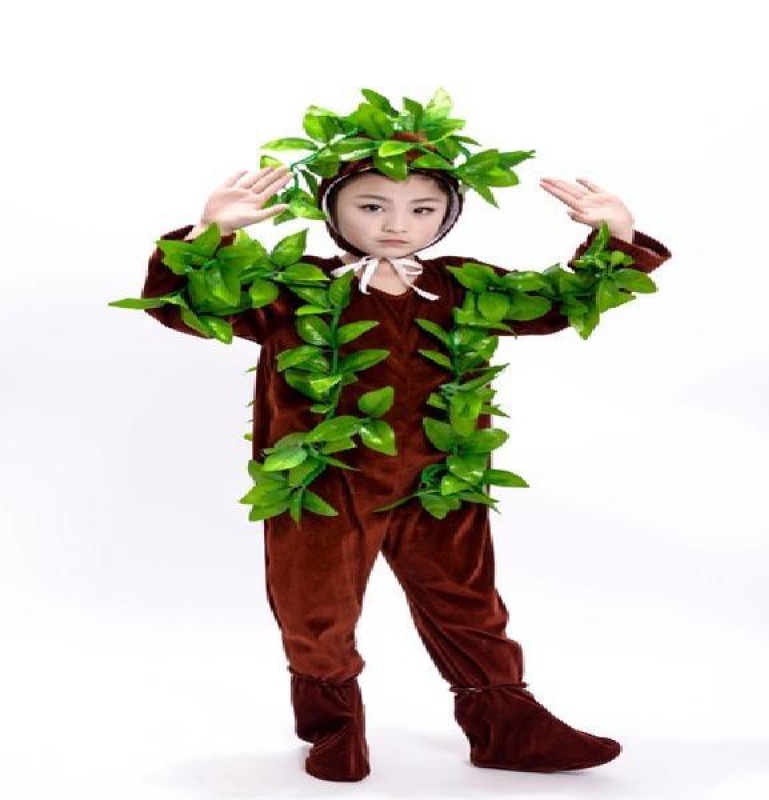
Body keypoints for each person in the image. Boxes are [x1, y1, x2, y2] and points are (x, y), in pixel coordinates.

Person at [139, 157, 672, 782]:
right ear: (332, 208)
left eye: (423, 210)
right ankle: (334, 727)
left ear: (447, 216)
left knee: (469, 601)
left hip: (440, 482)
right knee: (316, 609)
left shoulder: (463, 286)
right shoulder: (296, 288)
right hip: (326, 484)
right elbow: (187, 306)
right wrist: (211, 235)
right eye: (372, 207)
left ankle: (507, 725)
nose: (397, 225)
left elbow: (560, 302)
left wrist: (616, 238)